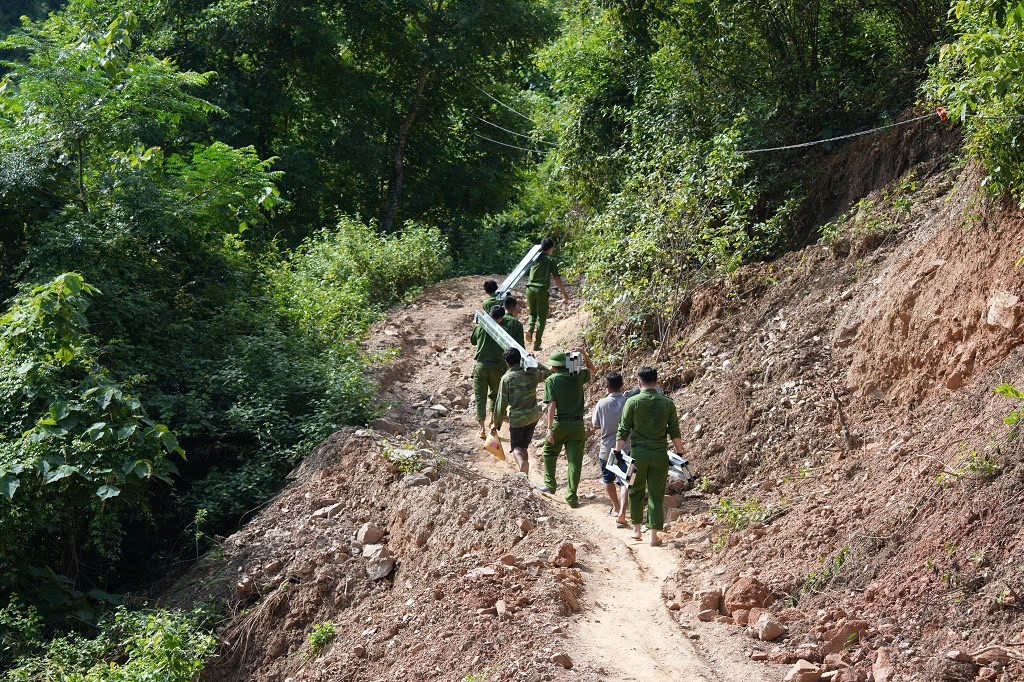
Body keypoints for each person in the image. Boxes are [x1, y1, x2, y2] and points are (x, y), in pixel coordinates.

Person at [613, 367, 684, 547]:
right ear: (657, 382)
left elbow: (623, 429)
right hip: (660, 454)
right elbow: (674, 430)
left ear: (639, 383)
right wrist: (680, 451)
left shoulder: (632, 402)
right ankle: (653, 536)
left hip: (638, 454)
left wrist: (617, 450)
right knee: (656, 493)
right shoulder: (667, 403)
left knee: (636, 490)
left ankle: (637, 531)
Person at [539, 348, 595, 507]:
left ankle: (550, 486)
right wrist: (583, 354)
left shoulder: (551, 380)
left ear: (555, 366)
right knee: (575, 461)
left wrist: (549, 428)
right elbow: (592, 370)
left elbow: (552, 405)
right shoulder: (576, 376)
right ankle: (571, 496)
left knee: (549, 452)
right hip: (577, 425)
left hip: (560, 423)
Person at [491, 347, 547, 474]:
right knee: (524, 447)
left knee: (516, 448)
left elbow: (501, 403)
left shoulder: (507, 379)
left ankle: (522, 465)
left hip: (517, 420)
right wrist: (535, 362)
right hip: (533, 417)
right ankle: (525, 475)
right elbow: (548, 372)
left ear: (506, 362)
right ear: (520, 359)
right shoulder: (532, 374)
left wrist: (497, 423)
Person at [589, 372, 630, 524]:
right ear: (622, 385)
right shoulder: (628, 402)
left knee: (608, 479)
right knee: (625, 481)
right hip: (625, 448)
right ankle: (623, 513)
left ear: (607, 387)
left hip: (607, 449)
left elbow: (596, 425)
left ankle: (616, 507)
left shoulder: (601, 403)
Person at [525, 237, 569, 352]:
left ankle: (529, 329)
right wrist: (564, 293)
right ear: (550, 248)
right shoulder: (550, 260)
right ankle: (537, 343)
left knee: (532, 313)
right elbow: (557, 278)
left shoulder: (534, 258)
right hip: (541, 290)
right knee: (542, 317)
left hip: (529, 288)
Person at [471, 305, 507, 440]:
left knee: (480, 397)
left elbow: (473, 341)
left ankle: (481, 429)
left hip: (480, 367)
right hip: (496, 367)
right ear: (501, 318)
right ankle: (492, 424)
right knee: (495, 396)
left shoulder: (480, 327)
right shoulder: (503, 330)